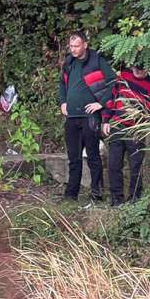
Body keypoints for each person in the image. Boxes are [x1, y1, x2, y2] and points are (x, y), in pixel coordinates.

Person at [58, 32, 115, 202]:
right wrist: (63, 102)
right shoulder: (69, 62)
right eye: (71, 46)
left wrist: (101, 103)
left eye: (76, 46)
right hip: (72, 117)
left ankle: (96, 194)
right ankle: (70, 195)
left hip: (90, 117)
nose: (73, 49)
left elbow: (113, 82)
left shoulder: (97, 60)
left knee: (93, 157)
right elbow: (61, 83)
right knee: (74, 158)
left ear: (85, 45)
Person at [103, 64, 150, 205]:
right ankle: (116, 199)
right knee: (114, 164)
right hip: (117, 125)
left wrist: (145, 122)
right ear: (132, 67)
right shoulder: (122, 77)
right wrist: (105, 120)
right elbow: (111, 98)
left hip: (137, 128)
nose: (140, 72)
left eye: (143, 70)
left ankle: (135, 198)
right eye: (137, 69)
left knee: (136, 165)